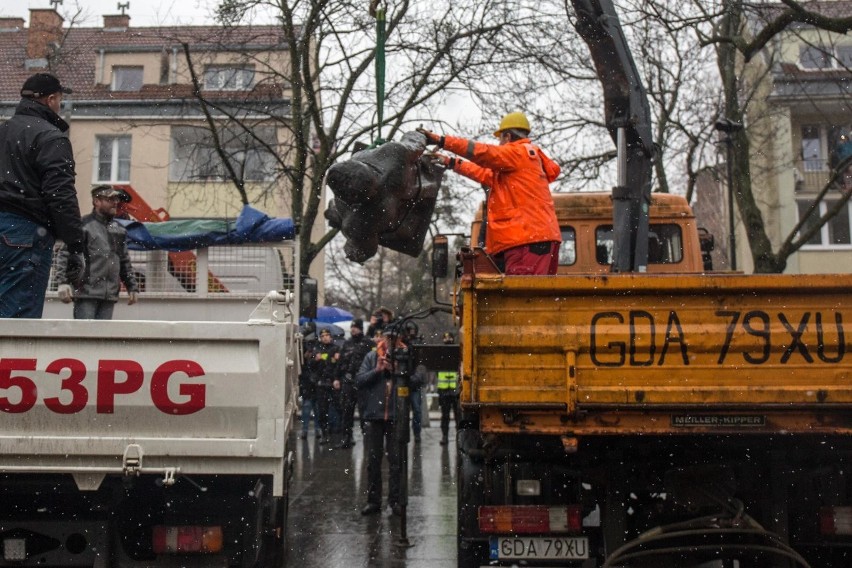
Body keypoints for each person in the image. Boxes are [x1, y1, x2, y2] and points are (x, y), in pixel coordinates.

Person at [418, 112, 562, 275]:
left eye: (500, 139)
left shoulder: (518, 153)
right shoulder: (519, 166)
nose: (498, 144)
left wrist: (442, 141)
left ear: (507, 137)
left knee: (524, 299)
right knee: (537, 297)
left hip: (527, 241)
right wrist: (450, 162)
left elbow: (483, 153)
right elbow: (482, 172)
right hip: (537, 240)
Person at [0, 73, 85, 318]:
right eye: (59, 99)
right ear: (50, 100)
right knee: (17, 320)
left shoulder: (3, 132)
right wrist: (75, 245)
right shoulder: (51, 138)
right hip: (24, 233)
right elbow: (60, 194)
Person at [54, 185, 140, 320]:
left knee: (103, 338)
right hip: (85, 293)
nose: (115, 202)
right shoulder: (83, 226)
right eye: (110, 199)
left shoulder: (119, 230)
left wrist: (132, 286)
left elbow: (124, 260)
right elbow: (65, 254)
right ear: (96, 201)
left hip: (109, 296)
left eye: (116, 199)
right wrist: (62, 282)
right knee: (85, 337)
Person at [356, 328, 404, 516]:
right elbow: (359, 380)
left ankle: (395, 501)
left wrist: (397, 372)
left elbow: (417, 380)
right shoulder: (371, 356)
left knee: (396, 461)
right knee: (373, 461)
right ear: (382, 338)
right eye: (388, 337)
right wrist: (377, 370)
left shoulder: (405, 355)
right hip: (374, 415)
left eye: (394, 338)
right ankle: (373, 501)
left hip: (395, 416)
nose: (391, 341)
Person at [335, 318, 373, 449]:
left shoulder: (368, 343)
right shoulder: (347, 343)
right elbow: (340, 363)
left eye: (355, 327)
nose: (353, 329)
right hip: (349, 381)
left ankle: (367, 438)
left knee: (364, 412)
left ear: (361, 328)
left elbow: (372, 361)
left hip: (362, 381)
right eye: (352, 327)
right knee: (347, 411)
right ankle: (347, 437)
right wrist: (337, 378)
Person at [308, 328, 340, 444]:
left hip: (333, 382)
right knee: (322, 410)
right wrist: (315, 360)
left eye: (327, 335)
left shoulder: (336, 348)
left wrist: (338, 360)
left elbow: (340, 366)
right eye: (323, 336)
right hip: (321, 384)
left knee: (338, 407)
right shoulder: (317, 349)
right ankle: (324, 433)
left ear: (331, 337)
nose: (325, 337)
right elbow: (310, 366)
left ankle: (339, 432)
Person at [437, 331, 460, 446]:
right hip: (444, 389)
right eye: (445, 338)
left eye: (449, 337)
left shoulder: (457, 351)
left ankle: (459, 437)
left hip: (455, 390)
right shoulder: (440, 353)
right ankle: (445, 436)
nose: (447, 340)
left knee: (458, 416)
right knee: (445, 416)